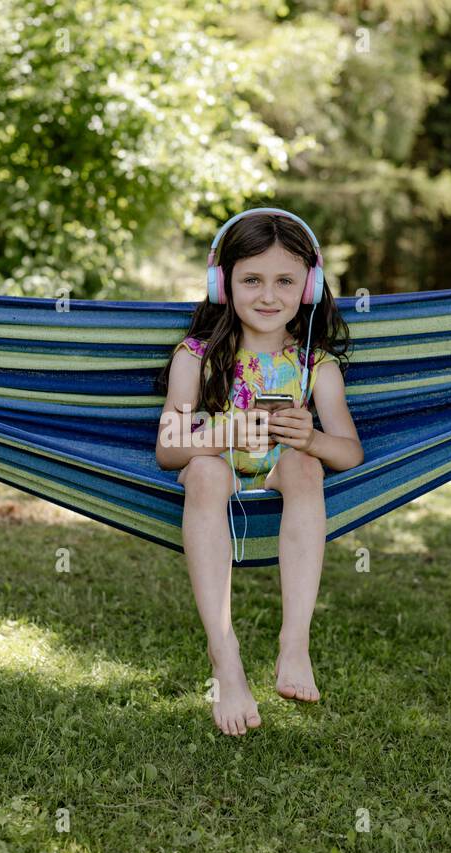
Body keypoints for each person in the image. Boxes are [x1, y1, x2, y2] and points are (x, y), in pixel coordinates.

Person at [154, 208, 363, 736]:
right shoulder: (196, 357)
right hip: (215, 467)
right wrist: (225, 433)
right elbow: (169, 449)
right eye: (251, 279)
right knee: (202, 474)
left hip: (279, 471)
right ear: (222, 285)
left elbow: (350, 453)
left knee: (307, 469)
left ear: (309, 288)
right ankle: (224, 656)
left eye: (285, 281)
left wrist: (310, 438)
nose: (268, 296)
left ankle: (295, 644)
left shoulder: (316, 366)